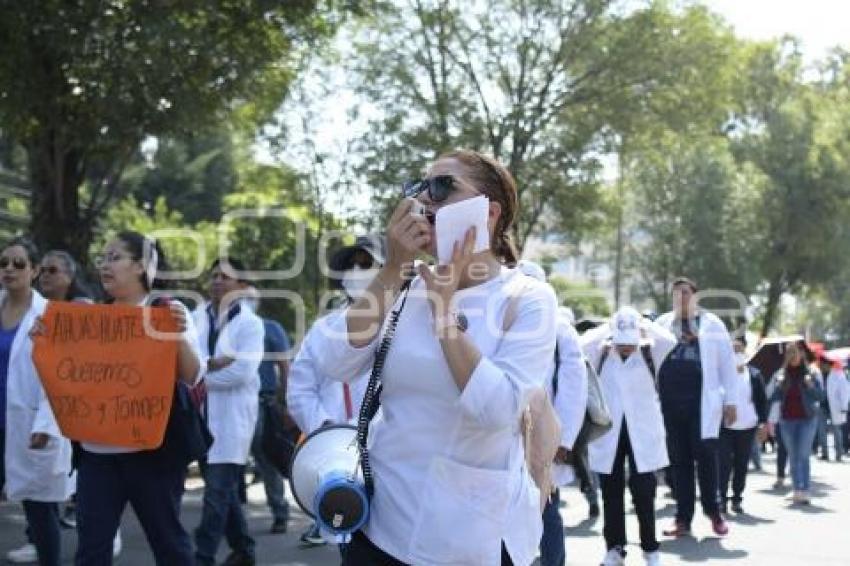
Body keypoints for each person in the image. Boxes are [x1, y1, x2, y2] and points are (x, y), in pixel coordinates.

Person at [310, 149, 557, 565]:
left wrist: (445, 318)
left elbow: (498, 412)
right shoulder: (406, 287)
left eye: (443, 186)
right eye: (420, 186)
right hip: (379, 528)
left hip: (467, 538)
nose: (425, 199)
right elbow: (336, 364)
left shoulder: (527, 298)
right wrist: (393, 269)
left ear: (489, 213)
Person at [62, 231, 202, 565]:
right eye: (102, 259)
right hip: (97, 455)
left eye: (114, 257)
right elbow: (70, 376)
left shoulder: (167, 310)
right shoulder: (91, 320)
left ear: (140, 266)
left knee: (169, 545)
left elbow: (192, 375)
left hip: (152, 453)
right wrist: (47, 340)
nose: (105, 266)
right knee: (91, 550)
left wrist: (176, 335)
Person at [286, 235, 379, 547]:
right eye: (351, 265)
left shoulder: (408, 323)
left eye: (366, 264)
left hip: (391, 459)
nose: (357, 271)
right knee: (352, 545)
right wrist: (328, 429)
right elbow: (300, 390)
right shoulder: (323, 329)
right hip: (336, 462)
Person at [582, 307, 676, 566]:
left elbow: (670, 340)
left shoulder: (649, 353)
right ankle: (614, 548)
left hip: (642, 432)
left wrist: (644, 322)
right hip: (609, 432)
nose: (626, 348)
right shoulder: (601, 354)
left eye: (630, 342)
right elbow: (582, 343)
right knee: (610, 493)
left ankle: (650, 548)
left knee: (644, 492)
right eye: (621, 342)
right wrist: (610, 325)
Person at [2, 238, 74, 566]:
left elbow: (59, 376)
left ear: (33, 271)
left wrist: (47, 423)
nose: (9, 269)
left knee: (39, 510)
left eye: (19, 264)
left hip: (27, 423)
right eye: (3, 263)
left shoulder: (49, 315)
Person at [193, 258, 263, 566]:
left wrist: (199, 375)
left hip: (233, 419)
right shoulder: (196, 317)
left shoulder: (250, 324)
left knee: (216, 495)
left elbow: (243, 372)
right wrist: (212, 363)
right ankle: (244, 549)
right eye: (214, 276)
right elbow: (184, 361)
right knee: (224, 492)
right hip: (201, 418)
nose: (217, 281)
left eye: (225, 277)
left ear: (242, 286)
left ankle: (201, 557)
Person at [656, 277, 737, 538]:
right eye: (676, 293)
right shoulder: (661, 324)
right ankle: (683, 518)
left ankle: (714, 512)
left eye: (686, 293)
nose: (681, 297)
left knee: (706, 459)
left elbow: (727, 364)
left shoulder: (712, 325)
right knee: (679, 463)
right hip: (670, 404)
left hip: (702, 404)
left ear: (696, 296)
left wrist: (731, 402)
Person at [517, 260, 586, 566]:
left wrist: (564, 440)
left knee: (547, 504)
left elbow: (575, 387)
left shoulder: (561, 330)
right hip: (508, 428)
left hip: (544, 432)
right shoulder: (506, 319)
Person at [243, 287, 292, 535]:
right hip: (235, 404)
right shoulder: (230, 328)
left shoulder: (270, 328)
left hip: (264, 401)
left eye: (250, 298)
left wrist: (286, 403)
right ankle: (232, 519)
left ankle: (280, 512)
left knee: (266, 459)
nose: (245, 302)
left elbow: (285, 367)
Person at [767, 343, 825, 505]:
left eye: (795, 352)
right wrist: (776, 387)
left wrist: (810, 386)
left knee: (803, 455)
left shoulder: (812, 373)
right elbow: (773, 398)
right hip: (787, 421)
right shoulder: (781, 375)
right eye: (789, 352)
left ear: (801, 354)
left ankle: (805, 490)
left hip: (807, 420)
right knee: (792, 456)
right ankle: (796, 489)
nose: (792, 355)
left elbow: (821, 397)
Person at [719, 337, 768, 515]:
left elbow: (762, 401)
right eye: (733, 349)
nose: (736, 353)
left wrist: (763, 423)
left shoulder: (754, 375)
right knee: (723, 464)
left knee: (741, 464)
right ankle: (721, 499)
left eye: (739, 349)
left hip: (747, 427)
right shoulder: (721, 374)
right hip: (725, 427)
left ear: (745, 351)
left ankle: (737, 498)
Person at [825, 361, 849, 462]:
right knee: (839, 430)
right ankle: (839, 452)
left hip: (833, 406)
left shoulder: (831, 376)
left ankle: (839, 452)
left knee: (836, 430)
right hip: (840, 406)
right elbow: (845, 393)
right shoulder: (841, 376)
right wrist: (844, 406)